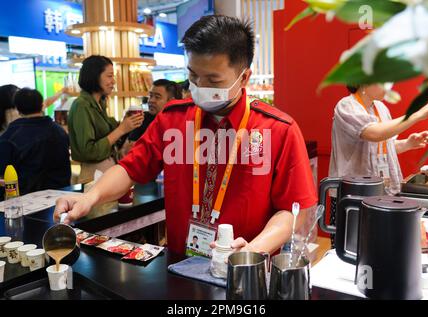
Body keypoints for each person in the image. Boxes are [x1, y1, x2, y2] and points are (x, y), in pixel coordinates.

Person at [54, 15, 317, 257]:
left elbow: (292, 210)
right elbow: (130, 168)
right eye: (193, 76)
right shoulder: (173, 120)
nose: (200, 88)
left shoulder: (277, 130)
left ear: (244, 77)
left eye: (213, 81)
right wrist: (90, 197)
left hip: (246, 270)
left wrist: (253, 250)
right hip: (180, 264)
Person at [329, 84, 428, 195]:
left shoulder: (381, 108)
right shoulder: (347, 106)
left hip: (382, 189)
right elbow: (374, 133)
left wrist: (407, 144)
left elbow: (383, 147)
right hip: (354, 192)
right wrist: (417, 115)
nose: (388, 88)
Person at [68, 55, 144, 184]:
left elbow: (109, 137)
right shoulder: (82, 105)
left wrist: (126, 125)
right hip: (93, 176)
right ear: (94, 76)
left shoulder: (100, 103)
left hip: (106, 171)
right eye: (109, 76)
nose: (113, 81)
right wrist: (121, 129)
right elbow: (88, 151)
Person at [0, 88, 71, 200]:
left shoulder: (10, 136)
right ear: (42, 105)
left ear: (17, 109)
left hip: (27, 202)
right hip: (61, 197)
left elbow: (3, 173)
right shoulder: (59, 131)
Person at [0, 85, 72, 135]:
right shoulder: (15, 113)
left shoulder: (23, 109)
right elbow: (46, 103)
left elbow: (46, 103)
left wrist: (62, 91)